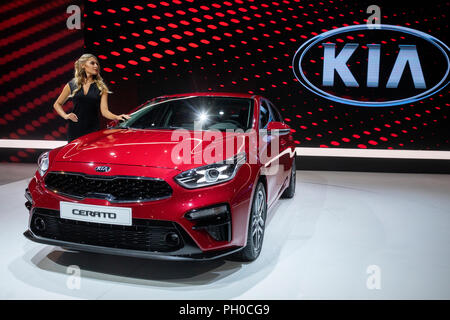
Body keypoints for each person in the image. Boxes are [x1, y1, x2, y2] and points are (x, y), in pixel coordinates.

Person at [53, 53, 130, 142]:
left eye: (97, 64)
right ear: (83, 65)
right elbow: (57, 104)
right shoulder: (72, 85)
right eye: (92, 63)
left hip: (92, 130)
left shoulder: (101, 87)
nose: (96, 66)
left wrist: (117, 117)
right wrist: (66, 116)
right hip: (74, 129)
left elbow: (105, 111)